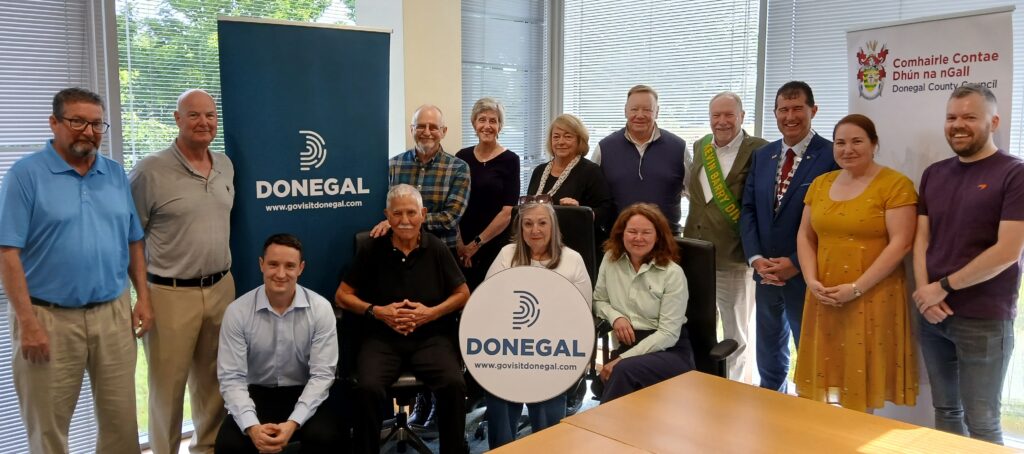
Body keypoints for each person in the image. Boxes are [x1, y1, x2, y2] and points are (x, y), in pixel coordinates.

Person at [0, 88, 151, 453]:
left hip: (112, 314)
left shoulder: (114, 174)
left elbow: (133, 240)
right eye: (78, 121)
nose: (89, 131)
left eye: (97, 124)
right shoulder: (25, 175)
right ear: (54, 123)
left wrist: (143, 298)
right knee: (48, 430)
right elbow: (7, 253)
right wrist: (28, 323)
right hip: (47, 317)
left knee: (121, 425)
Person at [913, 84, 1024, 444]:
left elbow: (1008, 251)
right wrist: (924, 294)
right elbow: (921, 239)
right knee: (946, 411)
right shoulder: (934, 173)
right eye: (951, 117)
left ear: (994, 122)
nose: (958, 125)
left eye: (969, 117)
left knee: (983, 422)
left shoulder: (1015, 174)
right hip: (932, 317)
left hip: (984, 320)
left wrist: (941, 288)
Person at [129, 88, 235, 454]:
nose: (204, 122)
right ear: (177, 119)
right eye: (194, 115)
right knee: (167, 389)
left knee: (214, 384)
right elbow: (131, 238)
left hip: (221, 287)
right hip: (169, 293)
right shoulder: (149, 170)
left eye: (210, 115)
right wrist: (141, 296)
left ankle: (206, 449)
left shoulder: (225, 165)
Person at [793, 114, 918, 412]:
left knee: (861, 382)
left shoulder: (896, 185)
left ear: (874, 144)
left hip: (872, 295)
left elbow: (902, 243)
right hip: (824, 294)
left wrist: (857, 288)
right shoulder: (820, 184)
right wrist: (811, 280)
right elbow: (805, 236)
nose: (847, 149)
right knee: (825, 378)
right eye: (840, 143)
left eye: (857, 141)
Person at [337, 184, 470, 454]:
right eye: (397, 214)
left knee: (454, 385)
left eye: (411, 212)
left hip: (430, 337)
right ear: (387, 215)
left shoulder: (437, 248)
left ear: (423, 214)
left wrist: (431, 313)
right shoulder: (371, 249)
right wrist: (377, 311)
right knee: (367, 389)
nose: (405, 220)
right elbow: (342, 296)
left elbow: (463, 294)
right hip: (381, 338)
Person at [740, 81, 838, 392]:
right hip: (766, 272)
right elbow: (749, 209)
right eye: (784, 109)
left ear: (814, 110)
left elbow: (834, 221)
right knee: (768, 353)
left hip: (807, 275)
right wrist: (757, 258)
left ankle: (810, 411)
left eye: (798, 109)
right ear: (775, 113)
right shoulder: (763, 155)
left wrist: (795, 263)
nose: (790, 116)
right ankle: (771, 403)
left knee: (811, 355)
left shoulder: (832, 156)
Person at [215, 234, 340, 453]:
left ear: (301, 268)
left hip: (305, 391)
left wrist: (293, 423)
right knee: (228, 445)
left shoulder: (321, 309)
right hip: (257, 393)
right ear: (261, 265)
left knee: (326, 438)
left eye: (290, 266)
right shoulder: (237, 312)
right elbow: (231, 378)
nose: (281, 274)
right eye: (273, 264)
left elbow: (322, 376)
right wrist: (252, 427)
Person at [482, 199, 592, 448]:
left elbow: (582, 313)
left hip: (553, 351)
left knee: (548, 425)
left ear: (553, 226)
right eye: (528, 224)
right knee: (498, 390)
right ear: (520, 228)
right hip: (508, 348)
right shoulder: (507, 255)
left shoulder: (572, 260)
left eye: (542, 223)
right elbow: (486, 303)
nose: (535, 230)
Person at [684, 91, 768, 384]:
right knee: (698, 327)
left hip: (734, 256)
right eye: (716, 115)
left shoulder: (759, 149)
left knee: (736, 334)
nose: (722, 121)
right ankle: (704, 384)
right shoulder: (700, 146)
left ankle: (736, 390)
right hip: (696, 254)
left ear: (742, 116)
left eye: (729, 115)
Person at [593, 203, 693, 403]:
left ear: (658, 236)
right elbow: (599, 300)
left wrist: (623, 359)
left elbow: (668, 334)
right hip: (628, 345)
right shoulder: (610, 260)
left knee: (621, 372)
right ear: (622, 233)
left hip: (668, 350)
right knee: (609, 379)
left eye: (646, 232)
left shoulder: (672, 273)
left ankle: (601, 424)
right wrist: (616, 317)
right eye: (632, 231)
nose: (638, 238)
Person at [371, 104, 470, 252]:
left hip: (440, 252)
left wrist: (401, 221)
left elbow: (450, 218)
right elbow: (382, 208)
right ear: (412, 130)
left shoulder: (459, 168)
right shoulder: (392, 165)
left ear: (443, 131)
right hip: (397, 251)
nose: (427, 132)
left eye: (433, 127)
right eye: (421, 126)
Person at [593, 85, 690, 234]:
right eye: (634, 109)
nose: (640, 115)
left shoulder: (678, 148)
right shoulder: (604, 148)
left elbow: (696, 197)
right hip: (617, 240)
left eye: (647, 110)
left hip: (667, 241)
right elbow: (594, 199)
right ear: (625, 111)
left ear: (657, 112)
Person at [455, 97, 520, 290]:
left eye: (493, 121)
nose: (487, 126)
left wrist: (475, 245)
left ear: (500, 126)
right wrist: (460, 244)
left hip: (494, 244)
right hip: (461, 243)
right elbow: (454, 205)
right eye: (482, 119)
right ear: (474, 124)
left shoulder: (510, 160)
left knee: (493, 295)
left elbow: (507, 212)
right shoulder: (461, 157)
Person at [527, 113, 614, 249]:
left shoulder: (590, 171)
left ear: (579, 141)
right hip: (540, 244)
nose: (561, 142)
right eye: (556, 137)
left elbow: (605, 210)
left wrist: (581, 211)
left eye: (568, 137)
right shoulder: (539, 171)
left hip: (577, 245)